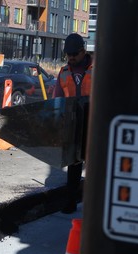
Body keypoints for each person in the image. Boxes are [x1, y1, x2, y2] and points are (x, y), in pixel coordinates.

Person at [52, 33, 93, 214]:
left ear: (83, 51)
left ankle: (93, 202)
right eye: (68, 55)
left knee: (94, 164)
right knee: (74, 164)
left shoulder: (97, 69)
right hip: (73, 124)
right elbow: (57, 99)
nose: (71, 58)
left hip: (93, 124)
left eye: (74, 54)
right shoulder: (64, 72)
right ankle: (70, 201)